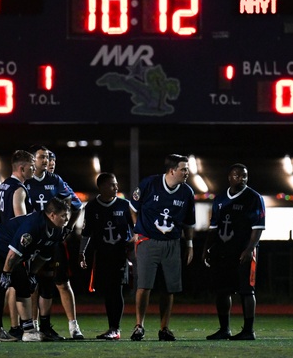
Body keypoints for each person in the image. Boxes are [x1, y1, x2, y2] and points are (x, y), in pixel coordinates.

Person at [0, 196, 72, 342]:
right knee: (0, 287)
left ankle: (28, 330)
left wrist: (32, 274)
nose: (67, 219)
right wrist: (5, 273)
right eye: (63, 215)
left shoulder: (57, 231)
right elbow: (13, 252)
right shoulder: (33, 225)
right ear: (52, 215)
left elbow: (43, 256)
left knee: (24, 286)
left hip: (12, 254)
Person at [129, 153, 195, 341]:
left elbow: (189, 222)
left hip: (172, 243)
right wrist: (137, 231)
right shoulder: (149, 184)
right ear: (172, 170)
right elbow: (133, 208)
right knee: (144, 285)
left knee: (169, 287)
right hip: (148, 240)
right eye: (184, 169)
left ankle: (164, 328)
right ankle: (139, 326)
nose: (187, 172)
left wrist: (189, 244)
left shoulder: (187, 192)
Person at [26, 146, 84, 341]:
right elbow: (0, 199)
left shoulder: (56, 181)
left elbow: (75, 204)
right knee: (30, 283)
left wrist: (66, 228)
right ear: (32, 160)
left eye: (50, 158)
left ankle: (73, 327)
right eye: (43, 157)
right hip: (32, 240)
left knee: (59, 282)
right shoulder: (24, 181)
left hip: (53, 240)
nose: (48, 162)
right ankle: (31, 326)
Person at [203, 163, 266, 340]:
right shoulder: (221, 198)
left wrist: (250, 249)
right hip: (223, 251)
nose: (242, 179)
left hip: (244, 251)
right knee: (222, 290)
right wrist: (207, 248)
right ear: (229, 177)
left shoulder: (254, 198)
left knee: (247, 290)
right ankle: (224, 329)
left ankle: (248, 330)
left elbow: (258, 227)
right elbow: (214, 227)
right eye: (238, 175)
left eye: (245, 176)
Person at [0, 149, 35, 340]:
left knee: (15, 286)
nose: (34, 170)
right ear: (22, 168)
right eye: (31, 167)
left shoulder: (4, 185)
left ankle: (6, 328)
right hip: (8, 246)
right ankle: (1, 330)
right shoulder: (19, 189)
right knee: (18, 286)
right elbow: (22, 222)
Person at [80, 172, 135, 339]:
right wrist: (81, 252)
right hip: (102, 255)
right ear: (102, 187)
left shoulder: (125, 205)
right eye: (112, 184)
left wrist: (134, 249)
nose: (116, 187)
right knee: (107, 291)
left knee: (116, 290)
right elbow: (86, 233)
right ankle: (112, 328)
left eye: (116, 184)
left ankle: (115, 328)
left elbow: (135, 230)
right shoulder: (91, 207)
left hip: (120, 255)